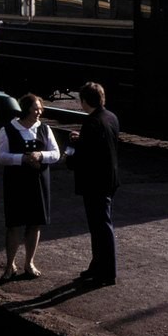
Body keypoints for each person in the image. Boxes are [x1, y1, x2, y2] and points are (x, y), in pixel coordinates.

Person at [0, 93, 60, 280]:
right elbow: (0, 156)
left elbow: (56, 153)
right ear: (26, 110)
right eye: (35, 108)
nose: (39, 112)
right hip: (16, 182)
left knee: (34, 223)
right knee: (14, 224)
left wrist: (41, 155)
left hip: (38, 181)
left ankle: (29, 263)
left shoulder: (45, 129)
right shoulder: (7, 129)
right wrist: (22, 158)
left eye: (40, 108)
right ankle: (10, 265)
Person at [65, 82, 120, 286]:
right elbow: (102, 145)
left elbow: (85, 156)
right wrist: (83, 139)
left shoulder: (91, 123)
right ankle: (98, 266)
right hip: (110, 179)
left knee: (101, 227)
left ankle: (107, 272)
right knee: (100, 225)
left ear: (85, 101)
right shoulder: (110, 117)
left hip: (95, 182)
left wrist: (72, 150)